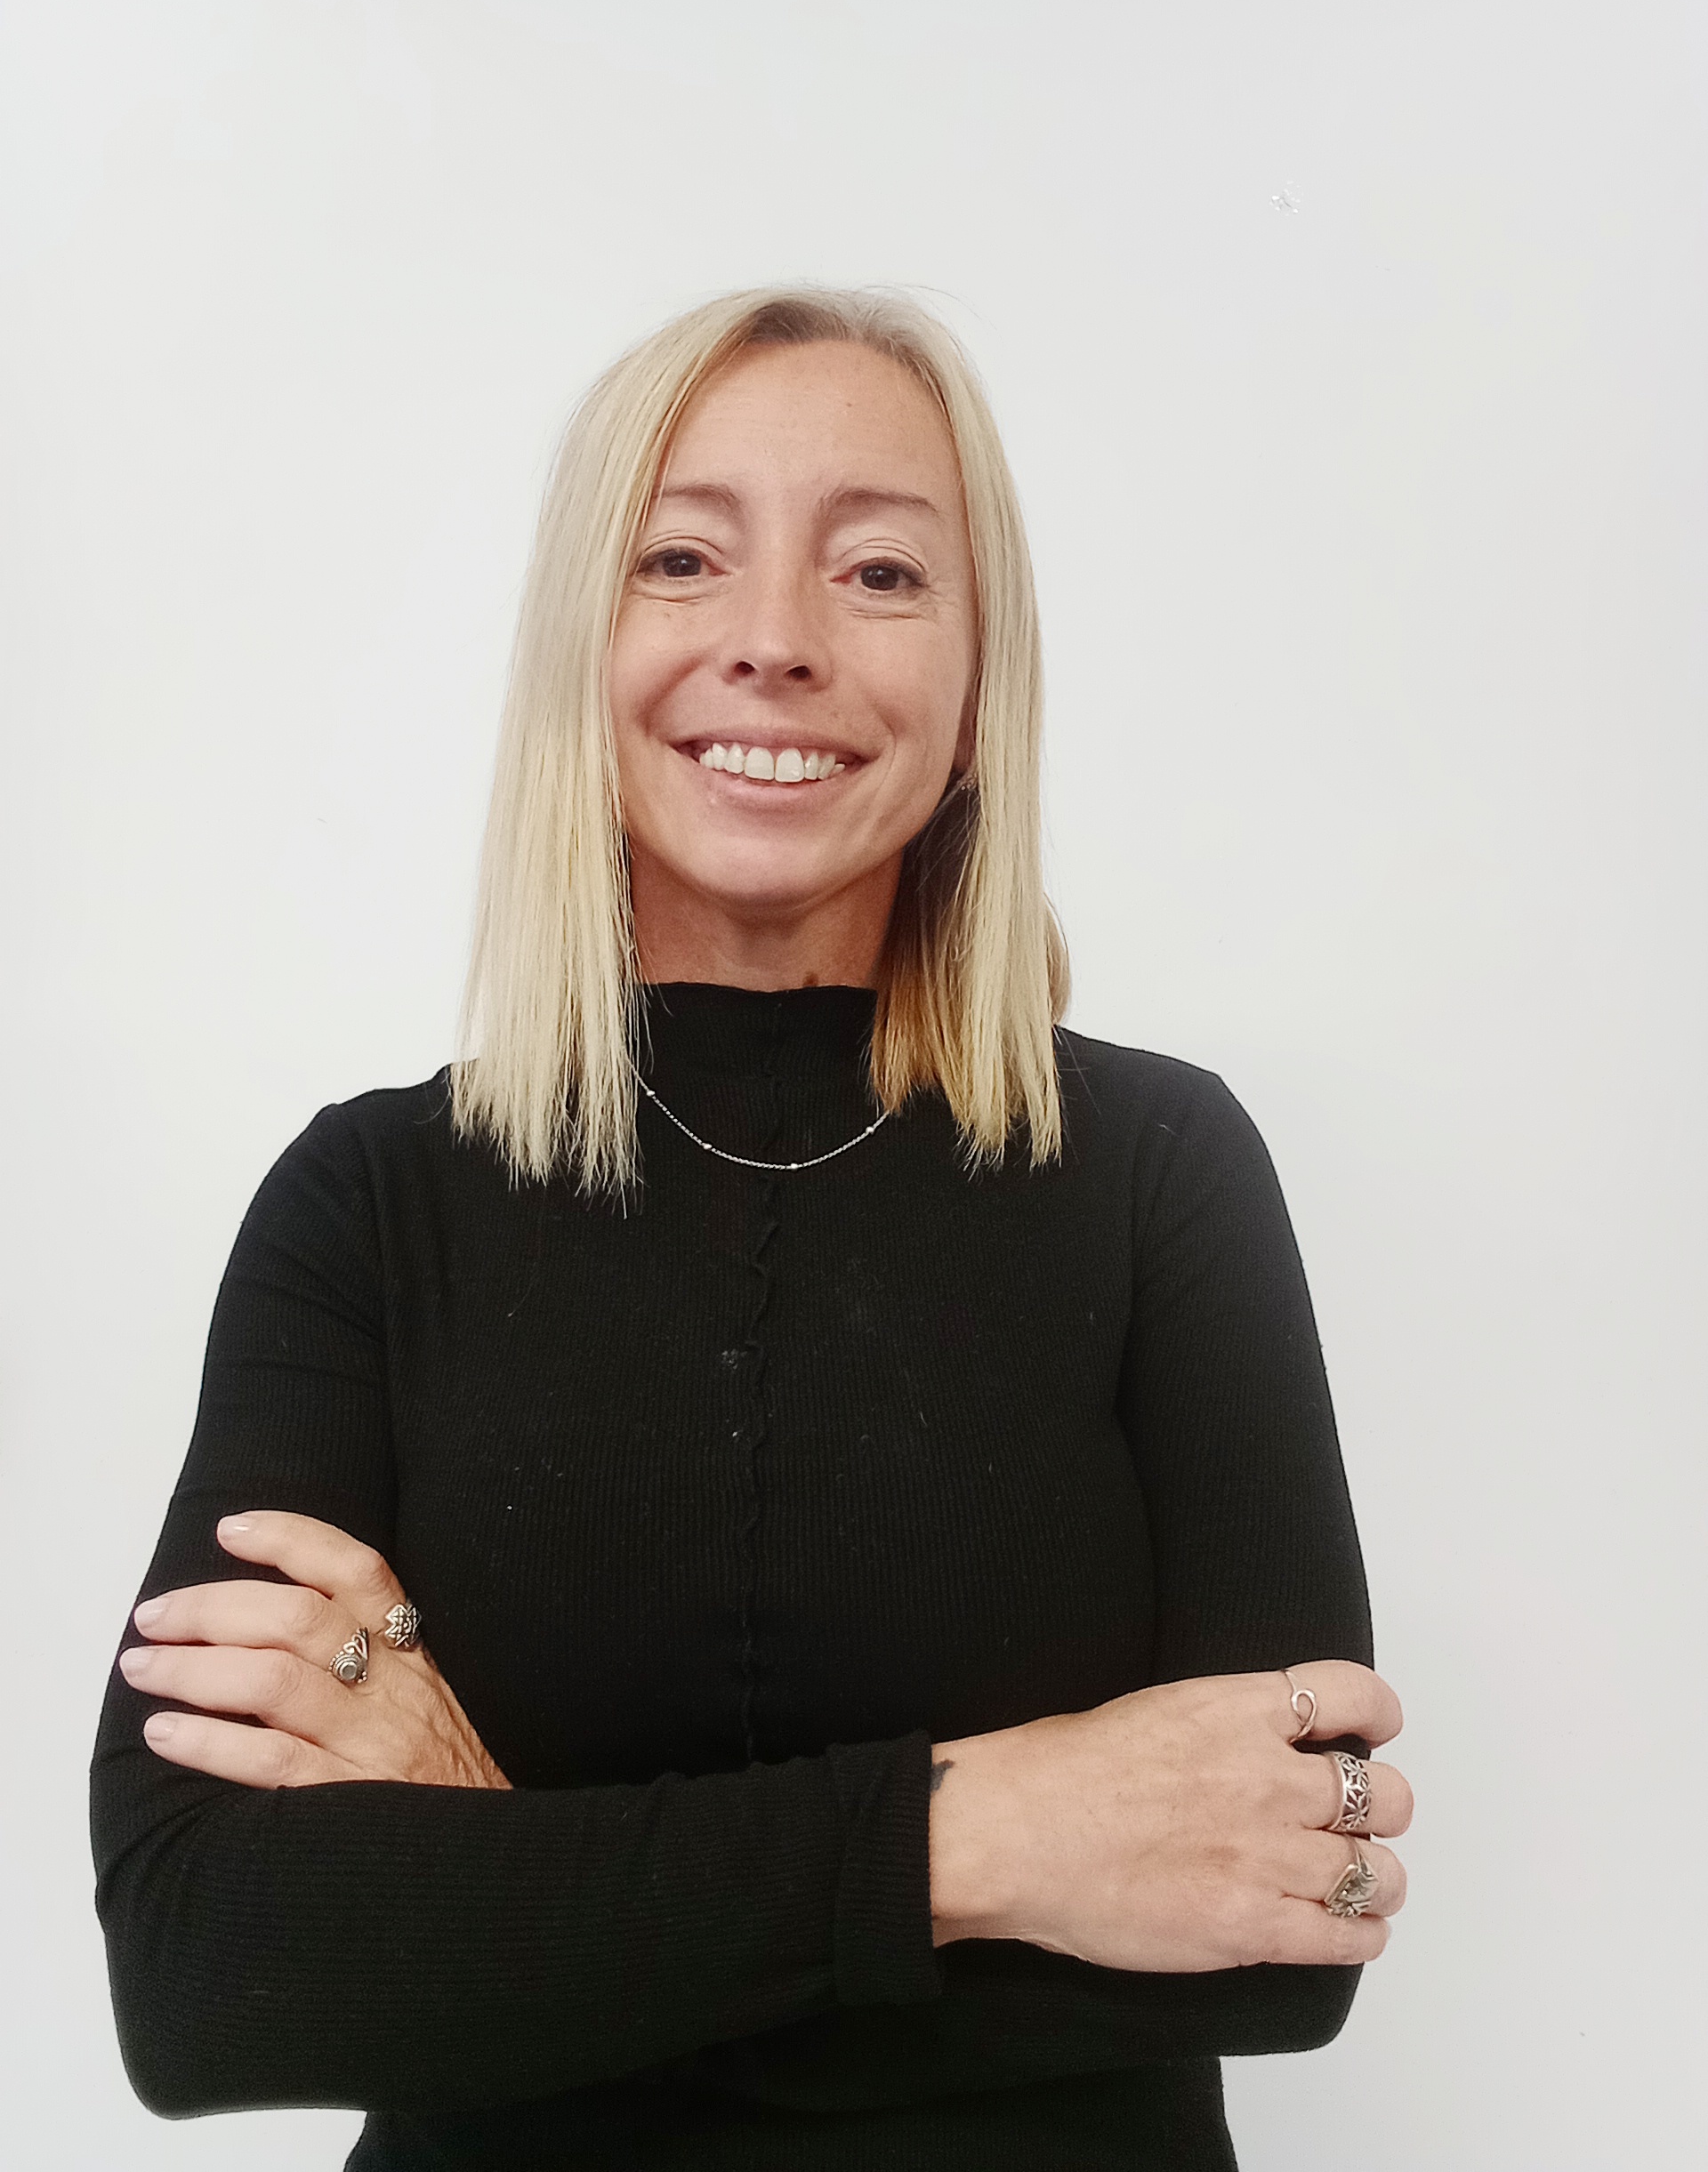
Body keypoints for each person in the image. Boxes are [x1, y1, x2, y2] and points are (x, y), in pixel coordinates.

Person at [90, 285, 1412, 2171]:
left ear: (980, 684)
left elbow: (1283, 1931)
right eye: (684, 558)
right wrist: (992, 1834)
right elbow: (205, 1968)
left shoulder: (1157, 1167)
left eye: (880, 572)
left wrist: (493, 1884)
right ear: (585, 646)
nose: (776, 640)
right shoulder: (369, 1201)